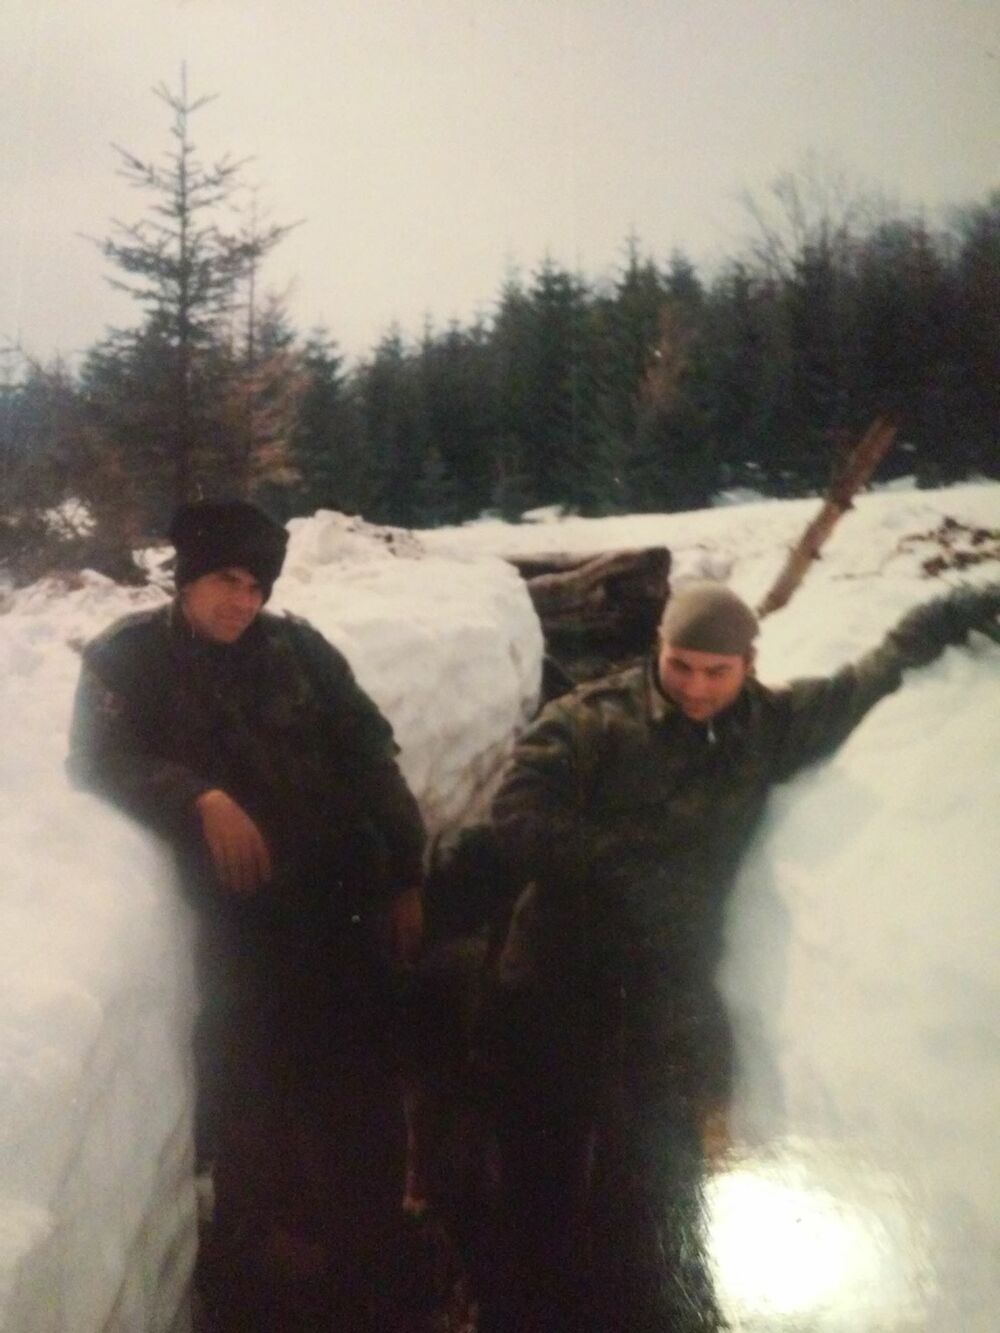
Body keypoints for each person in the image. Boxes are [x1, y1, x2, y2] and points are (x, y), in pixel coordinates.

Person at [484, 578, 999, 1332]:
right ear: (658, 648)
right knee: (539, 1172)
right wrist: (625, 871)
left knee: (658, 1178)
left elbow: (870, 675)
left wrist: (950, 612)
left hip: (663, 995)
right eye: (681, 665)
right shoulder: (590, 720)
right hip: (556, 979)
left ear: (749, 665)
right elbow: (514, 812)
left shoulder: (770, 724)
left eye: (716, 672)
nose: (696, 687)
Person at [67, 499, 427, 1327]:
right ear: (187, 576)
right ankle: (258, 1273)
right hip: (246, 924)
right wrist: (198, 795)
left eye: (258, 586)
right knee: (254, 1093)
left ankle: (375, 1254)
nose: (243, 600)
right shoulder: (129, 659)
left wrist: (407, 874)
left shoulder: (300, 651)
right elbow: (96, 759)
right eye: (227, 579)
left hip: (342, 899)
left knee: (365, 1083)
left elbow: (372, 757)